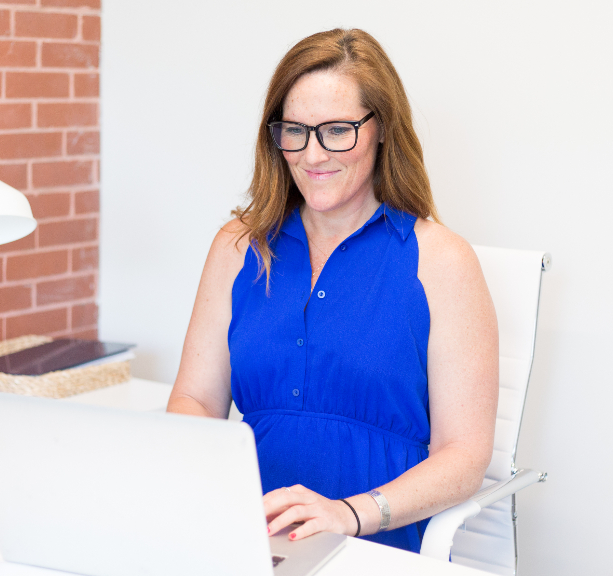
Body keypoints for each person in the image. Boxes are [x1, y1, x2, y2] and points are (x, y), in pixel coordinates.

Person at [167, 28, 498, 553]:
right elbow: (194, 399)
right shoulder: (238, 247)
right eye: (295, 131)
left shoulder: (443, 260)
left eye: (338, 130)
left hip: (374, 546)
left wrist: (348, 514)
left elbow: (464, 456)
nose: (313, 154)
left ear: (382, 128)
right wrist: (213, 490)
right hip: (248, 537)